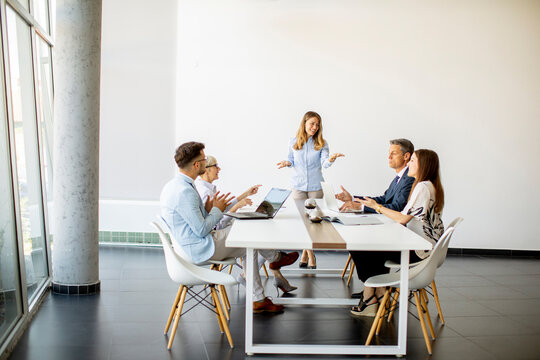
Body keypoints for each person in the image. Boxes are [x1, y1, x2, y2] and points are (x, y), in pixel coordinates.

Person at [160, 142, 299, 313]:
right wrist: (217, 210)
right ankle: (274, 263)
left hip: (191, 245)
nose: (206, 162)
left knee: (250, 239)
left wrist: (208, 209)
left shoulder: (174, 185)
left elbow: (193, 222)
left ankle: (261, 292)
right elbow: (202, 229)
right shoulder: (185, 191)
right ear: (197, 165)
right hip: (201, 248)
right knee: (250, 238)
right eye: (204, 159)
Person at [348, 149, 445, 317]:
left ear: (424, 165)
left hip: (418, 251)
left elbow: (402, 219)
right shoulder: (428, 185)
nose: (408, 164)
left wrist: (377, 207)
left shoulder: (422, 187)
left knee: (361, 247)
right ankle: (378, 293)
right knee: (369, 248)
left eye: (413, 161)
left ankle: (370, 297)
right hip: (422, 246)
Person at [194, 155, 297, 294]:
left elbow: (221, 209)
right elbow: (217, 224)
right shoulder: (205, 192)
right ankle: (275, 260)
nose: (219, 168)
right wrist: (236, 208)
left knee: (259, 235)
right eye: (216, 166)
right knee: (255, 238)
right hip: (213, 240)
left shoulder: (207, 188)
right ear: (206, 170)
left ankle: (272, 265)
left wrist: (245, 195)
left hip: (215, 236)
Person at [337, 139, 415, 300]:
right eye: (389, 153)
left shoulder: (408, 179)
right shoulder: (399, 178)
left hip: (403, 238)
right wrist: (354, 199)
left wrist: (360, 207)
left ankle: (372, 290)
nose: (389, 157)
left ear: (406, 156)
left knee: (359, 244)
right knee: (357, 243)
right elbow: (384, 199)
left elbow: (396, 208)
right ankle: (374, 288)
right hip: (395, 231)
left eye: (393, 153)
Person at [277, 111, 344, 269]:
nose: (315, 127)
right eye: (312, 123)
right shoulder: (293, 141)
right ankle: (310, 254)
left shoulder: (321, 142)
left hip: (315, 187)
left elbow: (325, 164)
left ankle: (306, 254)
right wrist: (287, 163)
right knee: (302, 222)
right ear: (304, 123)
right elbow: (291, 160)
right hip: (298, 186)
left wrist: (331, 159)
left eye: (317, 124)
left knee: (313, 222)